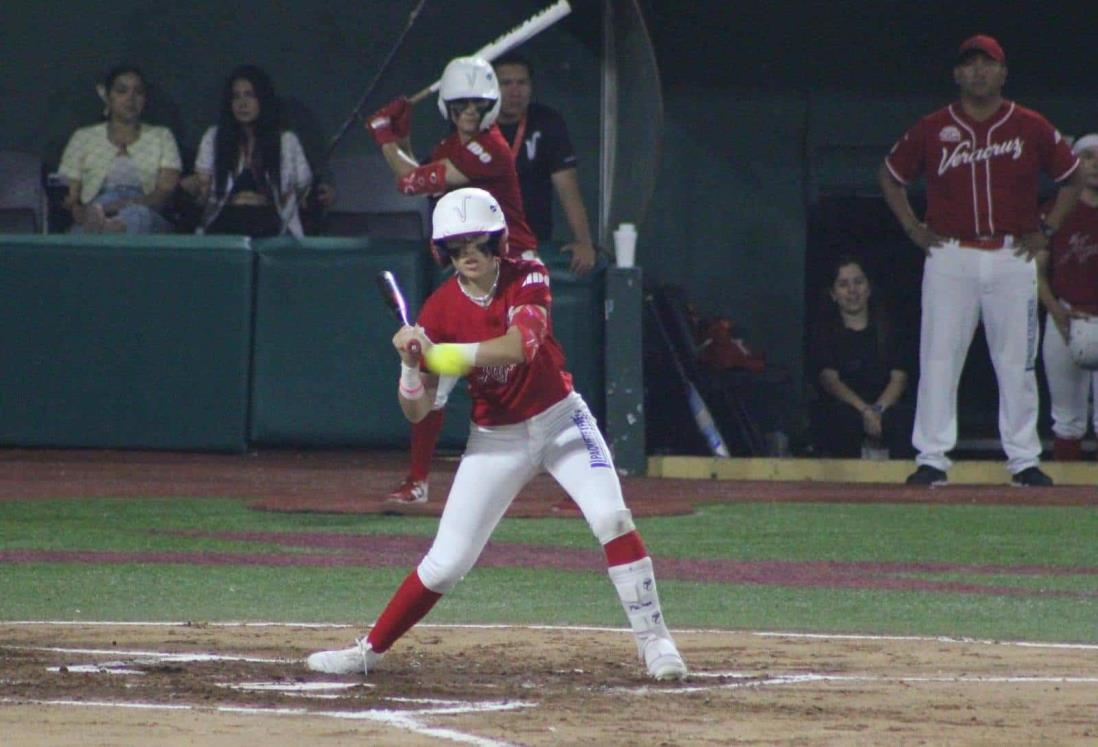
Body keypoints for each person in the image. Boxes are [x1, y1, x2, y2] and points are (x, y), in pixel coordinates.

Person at [306, 187, 687, 681]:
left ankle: (655, 642)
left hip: (560, 419)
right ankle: (368, 651)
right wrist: (409, 366)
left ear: (498, 243)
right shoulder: (440, 310)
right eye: (458, 245)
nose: (470, 255)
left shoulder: (528, 274)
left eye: (479, 243)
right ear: (444, 252)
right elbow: (418, 412)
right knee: (445, 564)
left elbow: (519, 346)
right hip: (496, 438)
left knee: (612, 518)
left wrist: (440, 355)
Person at [878, 34, 1084, 487]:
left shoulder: (1029, 124)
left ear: (1002, 72)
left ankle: (1024, 459)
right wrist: (914, 228)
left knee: (1018, 361)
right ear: (957, 74)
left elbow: (1071, 177)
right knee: (939, 357)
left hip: (1012, 254)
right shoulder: (934, 127)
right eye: (970, 65)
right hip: (951, 254)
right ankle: (932, 456)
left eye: (987, 64)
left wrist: (1047, 230)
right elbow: (891, 176)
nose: (978, 72)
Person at [366, 55, 540, 504]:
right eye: (461, 104)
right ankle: (418, 481)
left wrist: (384, 133)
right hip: (470, 277)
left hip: (513, 272)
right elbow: (417, 172)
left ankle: (579, 470)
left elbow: (411, 183)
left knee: (536, 371)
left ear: (492, 105)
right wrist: (400, 135)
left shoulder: (491, 149)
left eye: (478, 104)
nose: (470, 112)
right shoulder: (451, 145)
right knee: (433, 370)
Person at [181, 65, 326, 238]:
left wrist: (318, 194)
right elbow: (203, 188)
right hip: (225, 223)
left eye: (249, 95)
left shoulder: (286, 141)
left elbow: (304, 189)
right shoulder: (214, 137)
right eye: (236, 97)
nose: (242, 104)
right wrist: (192, 187)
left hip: (270, 225)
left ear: (263, 100)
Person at [493, 52, 597, 275]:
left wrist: (584, 242)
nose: (515, 91)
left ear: (531, 87)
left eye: (522, 83)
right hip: (483, 240)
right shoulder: (474, 123)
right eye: (506, 83)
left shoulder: (547, 121)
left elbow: (567, 187)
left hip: (534, 239)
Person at [809, 255, 913, 459]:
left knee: (903, 418)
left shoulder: (890, 327)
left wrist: (878, 411)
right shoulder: (824, 331)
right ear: (833, 293)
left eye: (858, 282)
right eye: (843, 285)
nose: (852, 291)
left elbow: (899, 379)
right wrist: (864, 411)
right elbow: (830, 381)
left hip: (884, 406)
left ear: (869, 287)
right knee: (841, 419)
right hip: (848, 407)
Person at [59, 64, 181, 234]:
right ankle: (105, 228)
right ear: (108, 97)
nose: (130, 98)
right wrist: (75, 209)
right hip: (95, 209)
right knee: (78, 232)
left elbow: (164, 192)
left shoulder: (161, 136)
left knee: (138, 216)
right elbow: (69, 192)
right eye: (121, 91)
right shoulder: (83, 137)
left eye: (138, 92)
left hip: (146, 210)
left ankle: (111, 228)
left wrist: (115, 206)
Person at [1037, 133, 1098, 461]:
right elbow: (1035, 269)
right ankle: (1063, 502)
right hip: (1066, 313)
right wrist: (1056, 312)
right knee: (1067, 419)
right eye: (1087, 156)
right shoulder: (1056, 210)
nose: (1095, 164)